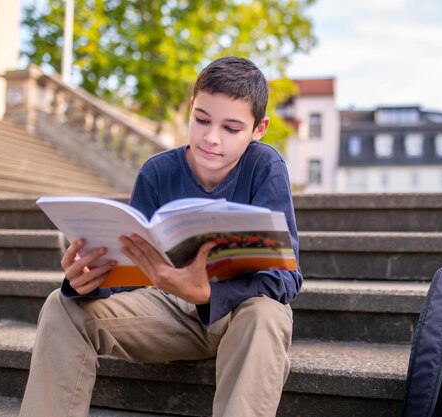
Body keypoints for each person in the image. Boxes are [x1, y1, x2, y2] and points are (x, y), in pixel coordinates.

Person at [19, 56, 303, 417]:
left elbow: (286, 278)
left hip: (240, 316)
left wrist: (207, 293)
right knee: (61, 305)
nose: (211, 138)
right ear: (191, 108)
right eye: (201, 120)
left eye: (231, 129)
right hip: (171, 311)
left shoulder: (265, 167)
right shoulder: (157, 172)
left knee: (267, 314)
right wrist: (88, 281)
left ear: (258, 129)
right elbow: (131, 273)